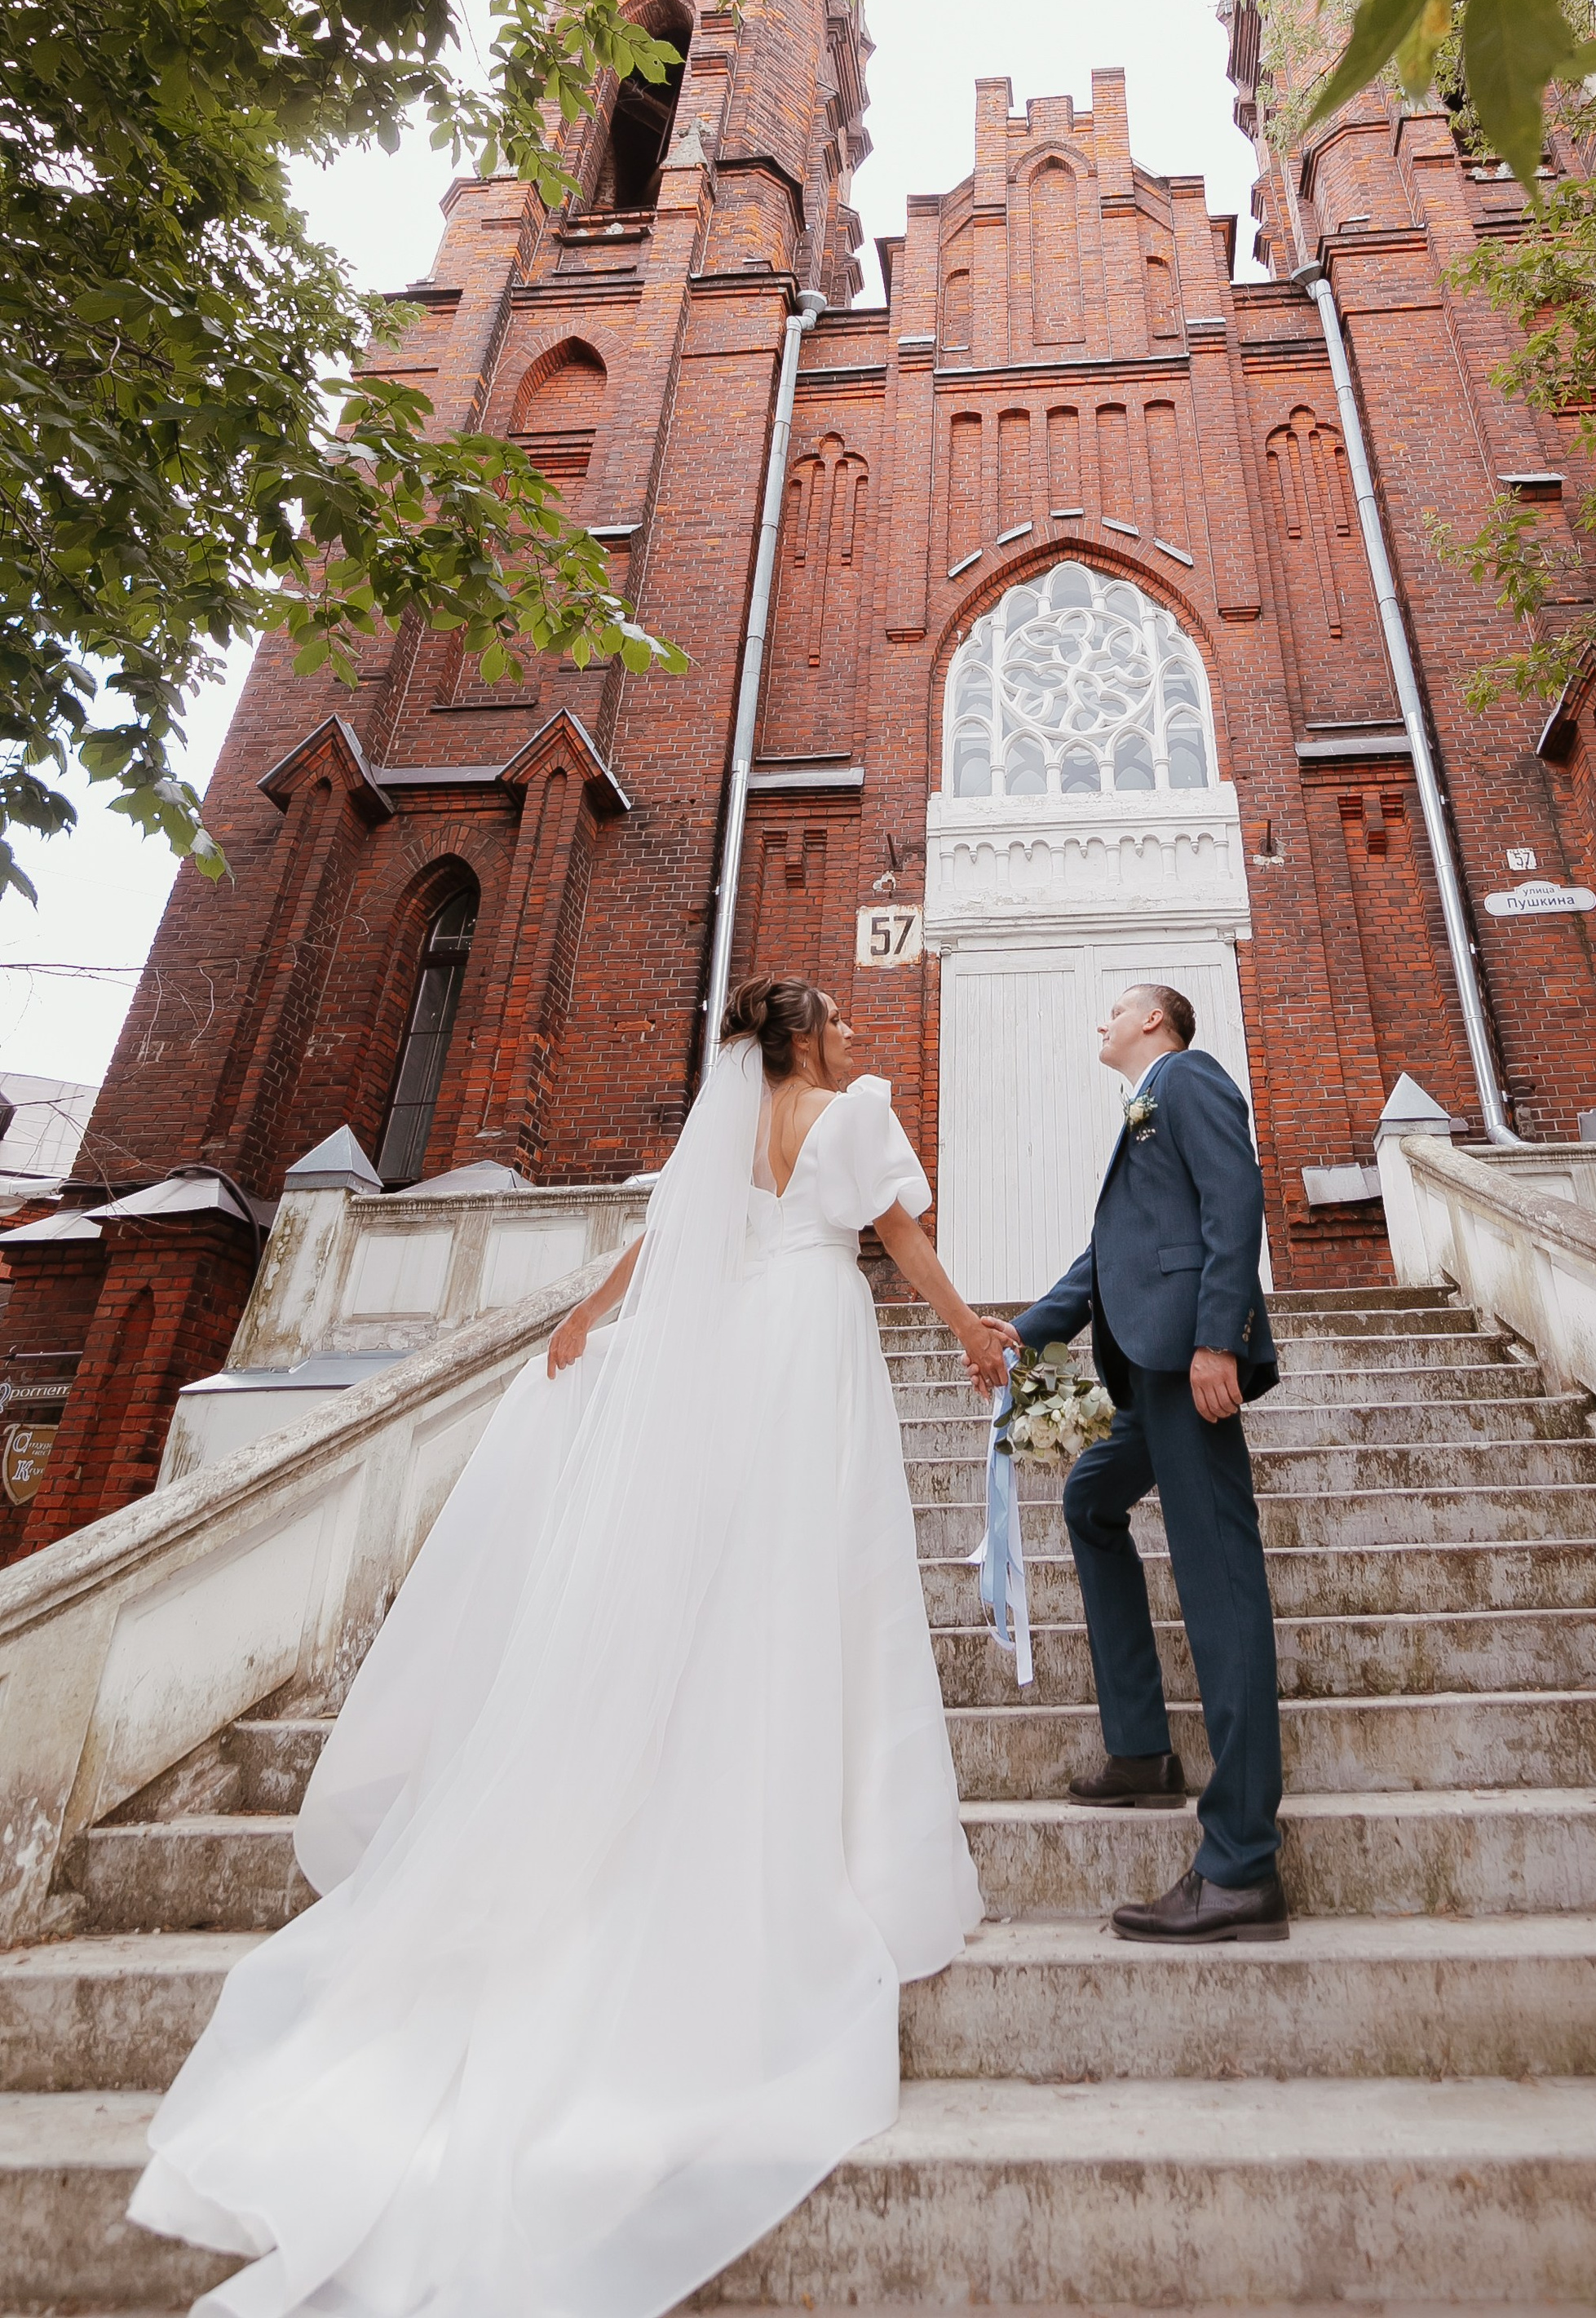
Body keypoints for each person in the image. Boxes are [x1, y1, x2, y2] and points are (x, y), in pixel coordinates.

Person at [130, 975, 1018, 2318]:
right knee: (818, 1571)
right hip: (815, 1349)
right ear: (804, 1038)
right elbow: (895, 1238)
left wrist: (589, 1319)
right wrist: (972, 1334)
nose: (854, 1029)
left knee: (738, 1576)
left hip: (740, 1358)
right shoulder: (851, 1112)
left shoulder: (730, 1131)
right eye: (836, 1014)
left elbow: (664, 1244)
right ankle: (831, 1833)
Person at [1015, 981, 1286, 1944]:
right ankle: (1139, 1749)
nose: (1099, 1021)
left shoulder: (1189, 1079)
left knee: (1219, 1586)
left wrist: (1220, 1336)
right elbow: (1107, 1260)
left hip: (1188, 1360)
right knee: (1091, 1500)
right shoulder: (1145, 1107)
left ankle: (1240, 1864)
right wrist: (1025, 1337)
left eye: (1113, 1009)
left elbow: (1234, 1194)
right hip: (1145, 1367)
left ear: (1154, 1022)